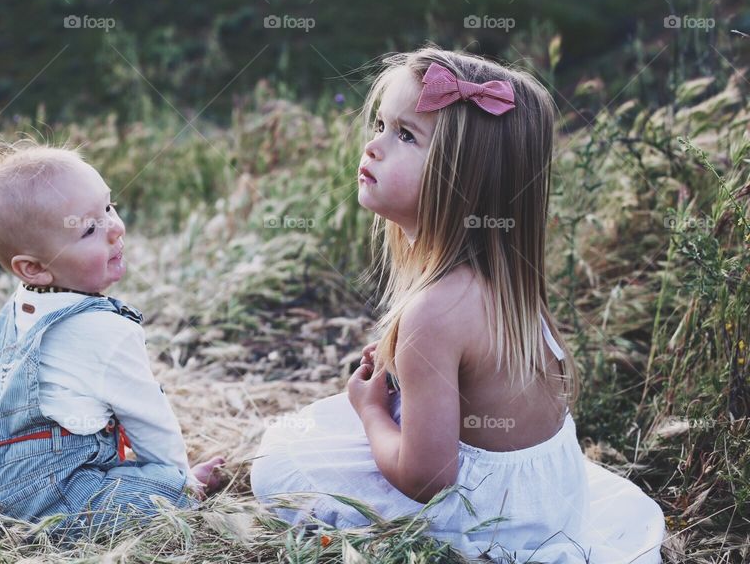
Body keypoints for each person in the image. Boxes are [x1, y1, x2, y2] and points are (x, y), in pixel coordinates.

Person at [251, 45, 665, 563]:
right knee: (317, 427)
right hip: (545, 505)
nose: (374, 146)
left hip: (487, 521)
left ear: (464, 179)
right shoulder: (506, 284)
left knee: (280, 461)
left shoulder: (435, 313)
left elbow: (427, 479)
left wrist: (374, 411)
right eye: (380, 125)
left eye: (405, 135)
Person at [0, 140, 224, 541]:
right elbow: (150, 421)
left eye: (108, 207)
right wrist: (178, 484)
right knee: (146, 492)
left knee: (113, 475)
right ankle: (176, 491)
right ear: (34, 268)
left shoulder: (21, 308)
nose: (115, 227)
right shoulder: (103, 331)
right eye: (88, 229)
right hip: (55, 504)